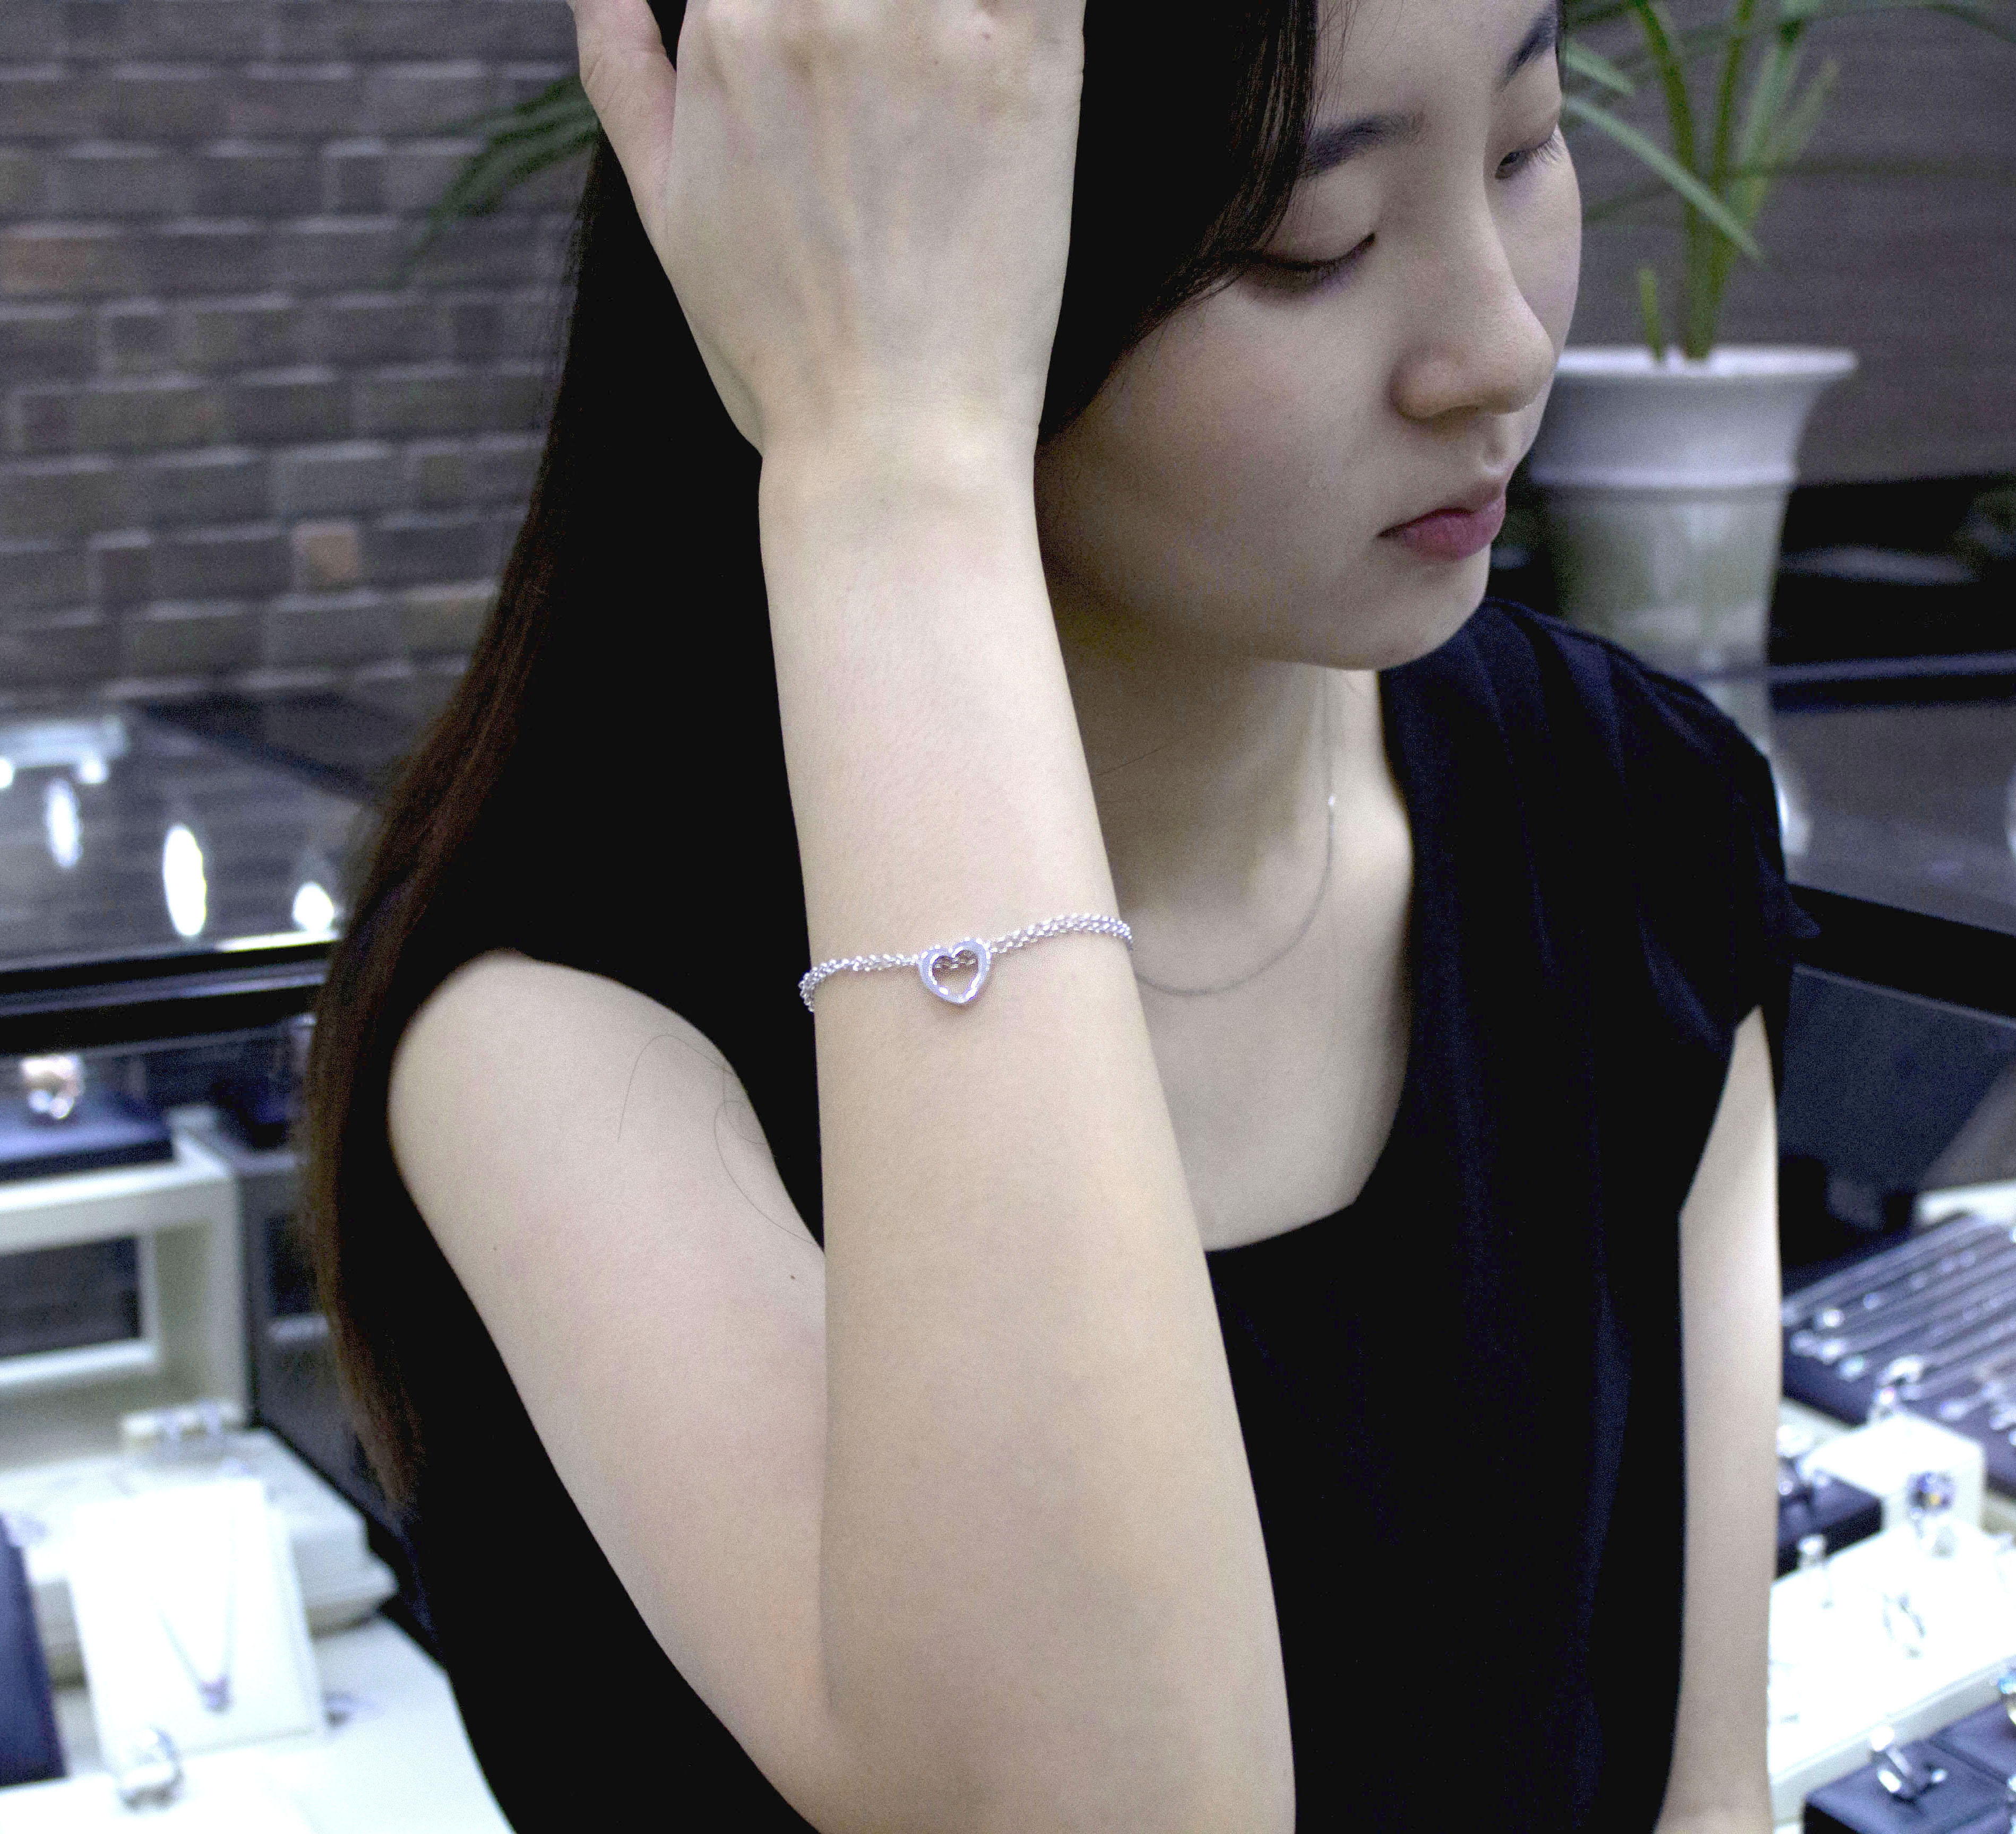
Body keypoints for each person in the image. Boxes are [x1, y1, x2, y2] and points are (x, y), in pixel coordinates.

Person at [304, 0, 1812, 1826]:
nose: (1497, 344)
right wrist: (888, 472)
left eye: (1524, 145)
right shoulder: (558, 1034)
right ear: (865, 252)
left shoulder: (1628, 812)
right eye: (1309, 243)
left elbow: (1706, 1797)